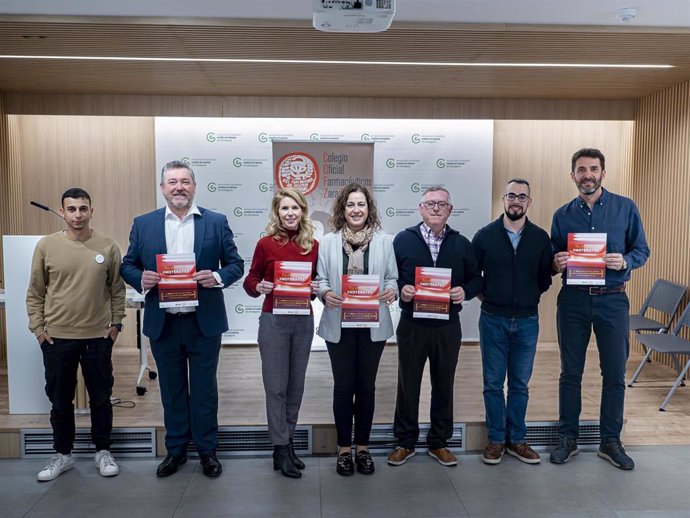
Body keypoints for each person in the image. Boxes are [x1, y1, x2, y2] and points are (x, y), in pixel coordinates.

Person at [120, 160, 243, 478]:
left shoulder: (216, 222)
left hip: (204, 323)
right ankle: (176, 451)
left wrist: (215, 276)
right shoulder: (143, 224)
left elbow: (235, 264)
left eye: (185, 181)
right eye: (172, 182)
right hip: (165, 324)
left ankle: (207, 451)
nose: (179, 187)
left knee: (204, 390)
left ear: (194, 186)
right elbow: (128, 264)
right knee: (171, 390)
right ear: (162, 188)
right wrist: (140, 279)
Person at [550, 148, 649, 470]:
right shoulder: (562, 215)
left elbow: (642, 250)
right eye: (581, 170)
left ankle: (610, 441)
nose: (587, 175)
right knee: (570, 373)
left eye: (593, 169)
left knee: (614, 373)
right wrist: (556, 261)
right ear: (573, 175)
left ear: (603, 173)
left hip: (613, 299)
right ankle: (568, 438)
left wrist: (626, 260)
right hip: (574, 301)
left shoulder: (625, 208)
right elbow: (552, 257)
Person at [26, 187, 126, 481]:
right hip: (57, 338)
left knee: (100, 398)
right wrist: (39, 329)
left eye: (83, 208)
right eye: (72, 209)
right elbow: (35, 292)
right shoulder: (46, 246)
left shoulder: (107, 246)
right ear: (62, 212)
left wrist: (116, 324)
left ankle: (102, 451)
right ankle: (62, 454)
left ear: (91, 211)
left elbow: (117, 291)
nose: (78, 214)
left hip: (98, 336)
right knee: (59, 401)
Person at [388, 185, 481, 468]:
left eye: (442, 204)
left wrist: (464, 291)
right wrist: (401, 289)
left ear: (450, 210)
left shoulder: (462, 243)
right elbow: (391, 277)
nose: (436, 208)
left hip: (447, 326)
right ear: (420, 208)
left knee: (444, 384)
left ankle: (439, 442)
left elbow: (477, 279)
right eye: (430, 203)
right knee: (408, 384)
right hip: (412, 324)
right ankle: (405, 442)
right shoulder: (402, 240)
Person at [316, 183, 398, 476]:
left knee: (366, 387)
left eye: (361, 204)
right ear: (342, 209)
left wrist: (391, 290)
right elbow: (320, 279)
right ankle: (343, 450)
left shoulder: (385, 241)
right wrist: (325, 293)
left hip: (372, 324)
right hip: (339, 323)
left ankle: (362, 448)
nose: (356, 210)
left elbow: (392, 278)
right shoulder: (327, 242)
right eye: (350, 204)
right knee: (343, 387)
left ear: (369, 208)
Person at [471, 179, 553, 465]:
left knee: (519, 384)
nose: (516, 200)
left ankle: (517, 439)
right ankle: (496, 439)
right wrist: (491, 298)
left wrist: (528, 297)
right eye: (511, 195)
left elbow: (545, 278)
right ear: (503, 200)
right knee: (493, 383)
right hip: (493, 320)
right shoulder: (485, 236)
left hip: (528, 321)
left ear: (529, 202)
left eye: (522, 196)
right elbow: (473, 276)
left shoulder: (541, 238)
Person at [243, 188, 319, 479]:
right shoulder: (265, 244)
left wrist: (315, 288)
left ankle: (287, 443)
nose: (290, 213)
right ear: (277, 212)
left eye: (295, 208)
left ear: (303, 211)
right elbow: (251, 278)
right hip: (274, 319)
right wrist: (258, 286)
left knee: (295, 388)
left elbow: (316, 284)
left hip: (302, 321)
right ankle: (280, 448)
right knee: (276, 387)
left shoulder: (312, 245)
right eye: (284, 209)